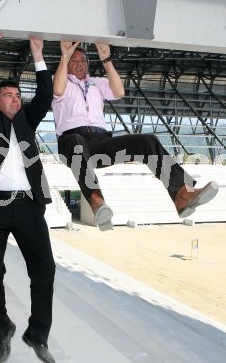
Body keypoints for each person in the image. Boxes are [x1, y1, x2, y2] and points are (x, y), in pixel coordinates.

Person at [52, 41, 219, 230]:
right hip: (71, 143)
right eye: (74, 59)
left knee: (147, 141)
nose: (79, 63)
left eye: (83, 60)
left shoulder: (96, 83)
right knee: (77, 142)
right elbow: (57, 90)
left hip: (100, 144)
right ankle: (96, 200)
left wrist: (106, 59)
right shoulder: (60, 80)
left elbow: (119, 91)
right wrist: (65, 55)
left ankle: (183, 193)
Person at [0, 35, 55, 363]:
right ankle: (2, 327)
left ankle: (37, 334)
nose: (15, 99)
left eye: (18, 95)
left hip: (30, 204)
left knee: (45, 269)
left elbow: (45, 95)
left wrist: (38, 54)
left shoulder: (27, 121)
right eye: (8, 95)